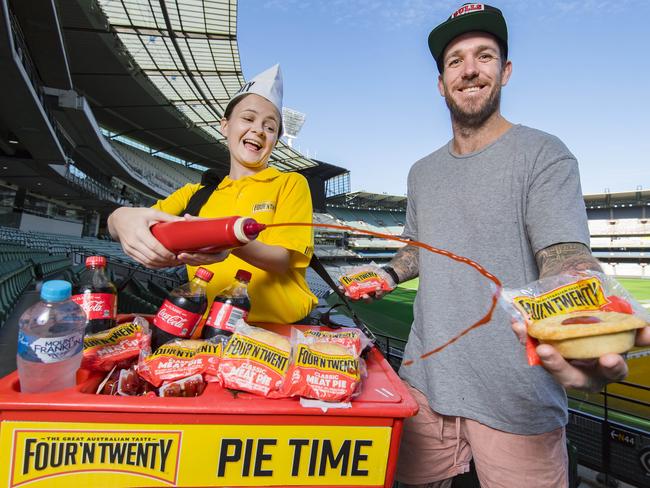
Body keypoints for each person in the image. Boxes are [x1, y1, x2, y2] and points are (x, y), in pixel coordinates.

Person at [343, 4, 650, 487]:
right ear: (441, 83)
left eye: (484, 56)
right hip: (425, 382)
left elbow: (565, 255)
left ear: (504, 71)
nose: (469, 69)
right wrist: (384, 275)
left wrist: (586, 315)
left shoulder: (543, 153)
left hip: (517, 395)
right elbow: (417, 248)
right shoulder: (421, 172)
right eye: (455, 61)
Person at [108, 65, 317, 324]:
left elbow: (282, 260)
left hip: (277, 331)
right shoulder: (194, 194)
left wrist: (223, 238)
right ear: (225, 126)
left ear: (274, 140)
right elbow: (132, 225)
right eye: (248, 118)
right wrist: (119, 217)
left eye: (270, 127)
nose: (259, 130)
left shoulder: (290, 183)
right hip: (208, 328)